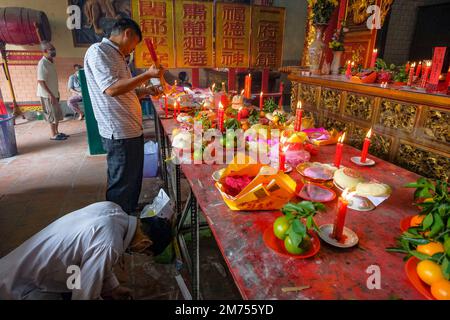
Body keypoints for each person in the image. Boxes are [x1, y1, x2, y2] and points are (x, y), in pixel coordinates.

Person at [0, 201, 172, 300]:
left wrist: (113, 288)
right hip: (20, 288)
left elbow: (92, 259)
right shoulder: (110, 244)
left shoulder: (112, 209)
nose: (138, 254)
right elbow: (84, 296)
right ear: (144, 243)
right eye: (144, 253)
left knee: (75, 284)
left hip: (28, 267)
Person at [84, 18, 163, 214]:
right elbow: (111, 89)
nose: (132, 51)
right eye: (134, 45)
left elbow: (125, 91)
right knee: (121, 184)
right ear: (127, 34)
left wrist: (146, 90)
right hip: (119, 132)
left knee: (132, 179)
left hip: (130, 129)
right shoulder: (99, 52)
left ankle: (128, 218)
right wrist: (146, 75)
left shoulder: (117, 56)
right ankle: (117, 226)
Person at [37, 41, 69, 141]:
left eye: (53, 48)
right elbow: (41, 81)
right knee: (52, 115)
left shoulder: (50, 61)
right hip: (47, 95)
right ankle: (53, 134)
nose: (54, 50)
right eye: (51, 49)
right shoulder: (42, 63)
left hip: (54, 93)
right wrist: (51, 95)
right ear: (45, 51)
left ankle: (57, 132)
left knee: (56, 114)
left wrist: (55, 93)